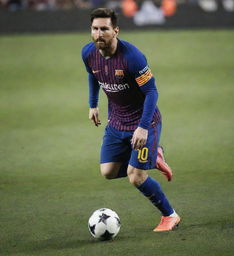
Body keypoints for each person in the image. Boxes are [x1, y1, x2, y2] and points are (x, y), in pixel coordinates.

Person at [81, 8, 181, 232]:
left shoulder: (132, 57)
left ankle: (170, 215)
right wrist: (92, 104)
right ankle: (153, 155)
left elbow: (152, 93)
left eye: (104, 29)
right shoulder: (88, 53)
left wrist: (143, 128)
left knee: (135, 176)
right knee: (107, 172)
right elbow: (92, 74)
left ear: (115, 30)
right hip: (116, 123)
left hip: (144, 124)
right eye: (95, 29)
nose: (99, 34)